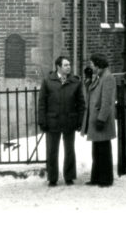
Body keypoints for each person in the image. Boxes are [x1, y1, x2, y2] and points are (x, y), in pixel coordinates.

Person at [38, 55, 85, 187]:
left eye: (69, 64)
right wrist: (42, 120)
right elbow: (42, 103)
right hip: (53, 121)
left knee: (69, 150)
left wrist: (80, 120)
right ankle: (52, 178)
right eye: (65, 65)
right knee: (52, 150)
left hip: (69, 121)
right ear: (58, 67)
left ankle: (69, 176)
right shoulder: (48, 81)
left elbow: (81, 103)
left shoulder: (75, 82)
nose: (68, 67)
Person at [81, 53, 117, 187]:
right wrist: (88, 80)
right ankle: (96, 178)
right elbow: (91, 94)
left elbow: (107, 101)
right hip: (96, 119)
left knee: (104, 150)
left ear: (98, 64)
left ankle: (106, 179)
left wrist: (101, 118)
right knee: (97, 150)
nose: (91, 66)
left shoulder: (107, 78)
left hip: (102, 120)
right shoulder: (100, 77)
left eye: (92, 64)